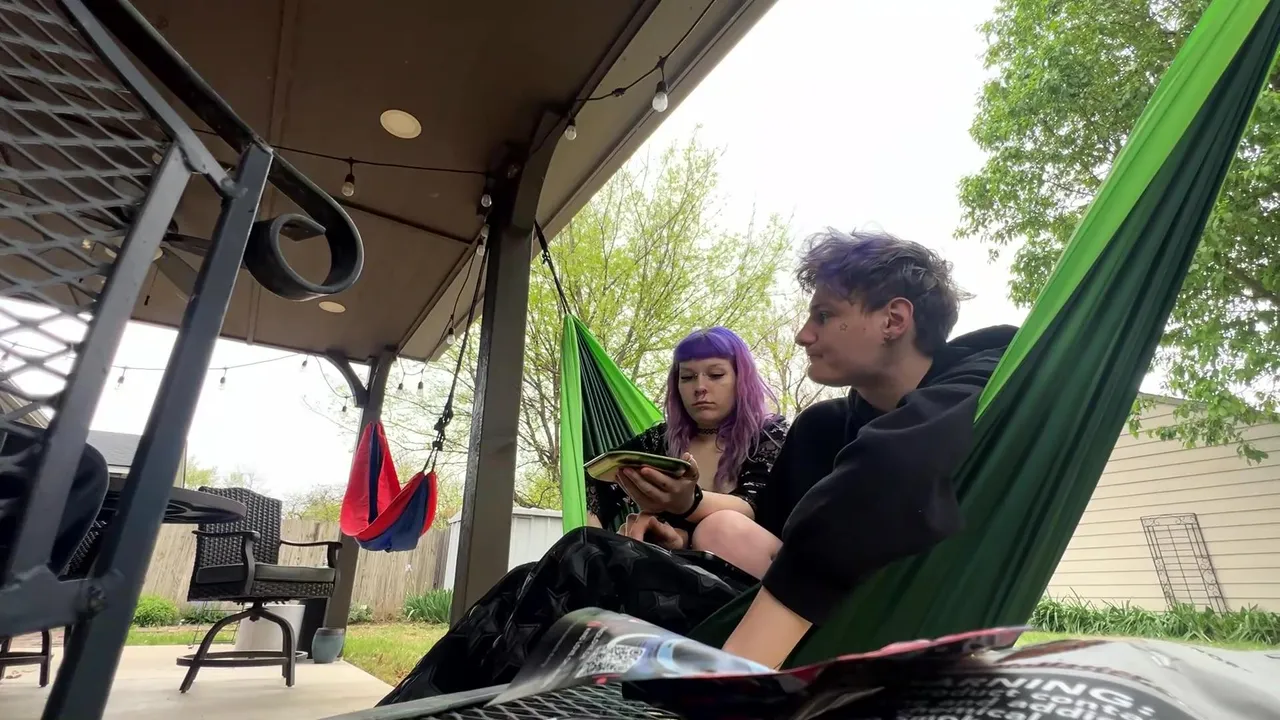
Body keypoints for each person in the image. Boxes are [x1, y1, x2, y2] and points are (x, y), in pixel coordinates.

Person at [379, 228, 1017, 705]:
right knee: (536, 576)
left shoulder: (985, 382)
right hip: (774, 601)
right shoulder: (824, 426)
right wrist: (682, 537)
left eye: (824, 315)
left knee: (587, 557)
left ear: (894, 320)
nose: (803, 334)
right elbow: (761, 538)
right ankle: (424, 706)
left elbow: (881, 481)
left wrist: (745, 663)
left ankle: (433, 706)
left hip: (857, 635)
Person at [587, 326, 788, 576]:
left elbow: (753, 504)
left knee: (719, 528)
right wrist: (595, 545)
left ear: (741, 379)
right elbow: (597, 479)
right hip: (680, 579)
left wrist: (688, 503)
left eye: (715, 375)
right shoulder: (660, 441)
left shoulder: (771, 434)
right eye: (687, 377)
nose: (700, 387)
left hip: (767, 578)